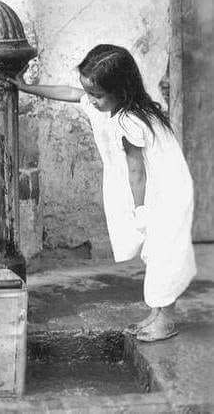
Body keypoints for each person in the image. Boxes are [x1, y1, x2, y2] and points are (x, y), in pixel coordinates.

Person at [11, 44, 196, 342]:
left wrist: (140, 212)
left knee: (162, 254)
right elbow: (72, 93)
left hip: (163, 192)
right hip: (149, 188)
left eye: (97, 95)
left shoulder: (129, 120)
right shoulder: (110, 105)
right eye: (91, 93)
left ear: (120, 91)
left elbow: (138, 173)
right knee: (152, 254)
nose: (91, 101)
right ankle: (156, 314)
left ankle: (167, 320)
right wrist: (28, 88)